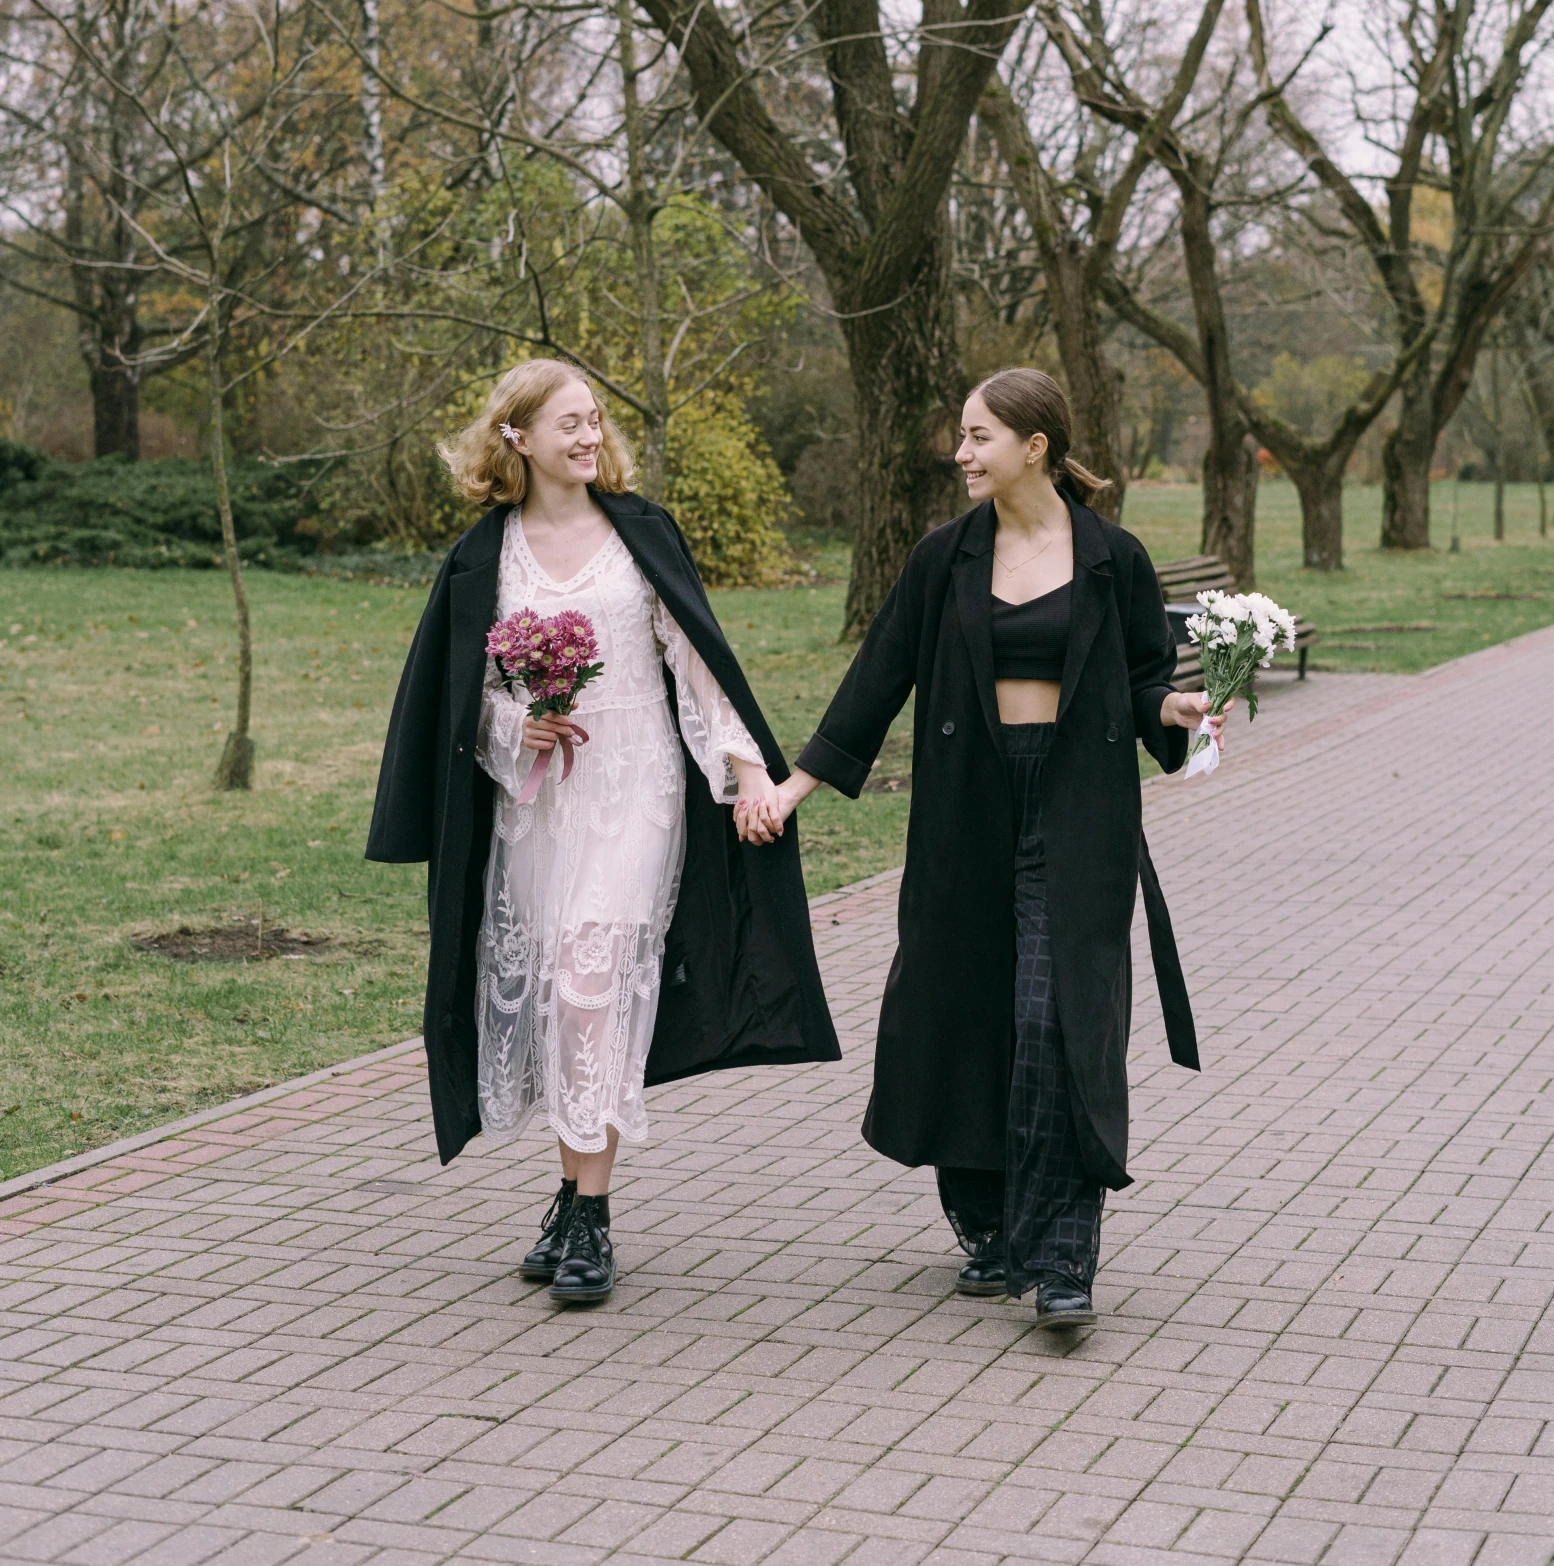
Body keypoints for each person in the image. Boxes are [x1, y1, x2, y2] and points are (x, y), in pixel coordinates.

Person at [736, 367, 1223, 1329]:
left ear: (1033, 447)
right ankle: (991, 1224)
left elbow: (1140, 684)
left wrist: (1172, 708)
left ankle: (1062, 1250)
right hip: (966, 810)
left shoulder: (1110, 558)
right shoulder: (943, 558)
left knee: (1058, 1017)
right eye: (961, 435)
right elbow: (877, 676)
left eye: (977, 436)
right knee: (967, 1009)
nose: (959, 453)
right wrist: (793, 785)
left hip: (1076, 810)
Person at [367, 360, 839, 1307]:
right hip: (539, 802)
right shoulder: (483, 556)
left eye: (593, 421)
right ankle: (571, 1190)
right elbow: (466, 697)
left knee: (590, 982)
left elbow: (699, 661)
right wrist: (515, 725)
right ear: (518, 438)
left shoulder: (640, 534)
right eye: (568, 424)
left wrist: (749, 773)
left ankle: (592, 1220)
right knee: (556, 991)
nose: (588, 437)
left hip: (638, 788)